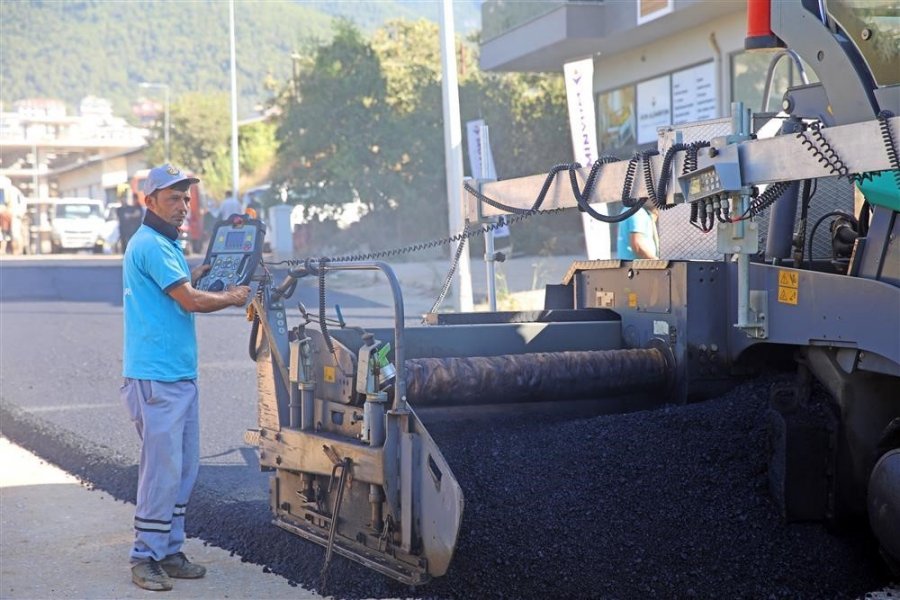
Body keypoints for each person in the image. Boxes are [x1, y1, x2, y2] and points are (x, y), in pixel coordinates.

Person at [121, 164, 251, 591]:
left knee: (182, 470)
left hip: (178, 375)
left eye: (186, 197)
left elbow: (180, 287)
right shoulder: (153, 246)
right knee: (161, 471)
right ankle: (145, 557)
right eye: (173, 198)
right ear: (150, 201)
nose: (182, 205)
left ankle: (170, 549)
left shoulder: (165, 244)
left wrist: (196, 275)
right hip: (157, 377)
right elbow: (190, 302)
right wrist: (232, 297)